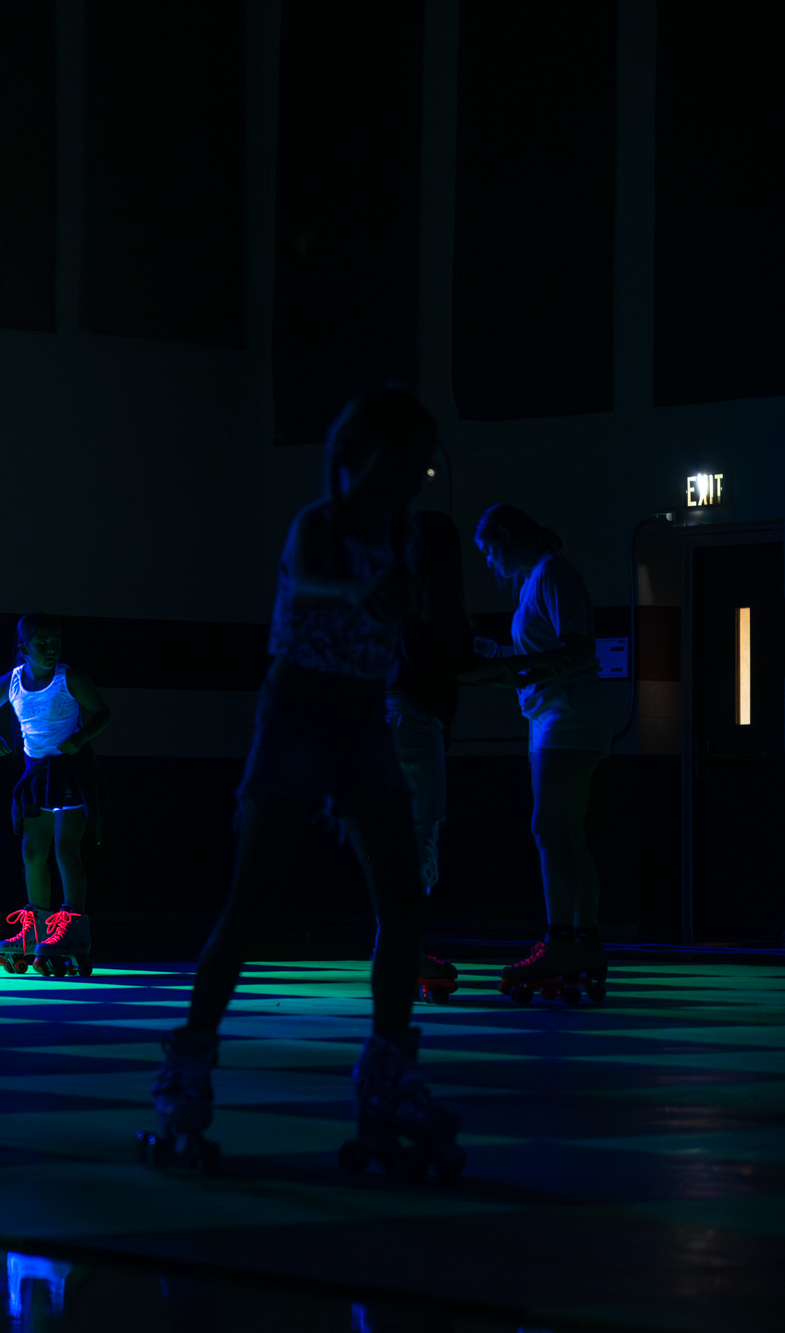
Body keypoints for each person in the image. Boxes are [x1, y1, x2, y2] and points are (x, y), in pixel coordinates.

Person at [138, 389, 465, 1182]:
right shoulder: (319, 521)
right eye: (404, 458)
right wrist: (367, 593)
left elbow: (420, 628)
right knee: (252, 904)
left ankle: (386, 1071)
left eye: (424, 460)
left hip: (363, 716)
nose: (417, 475)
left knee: (401, 905)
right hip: (298, 709)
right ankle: (186, 1074)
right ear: (363, 457)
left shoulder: (407, 533)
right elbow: (317, 580)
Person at [466, 504, 609, 1005]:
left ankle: (561, 942)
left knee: (550, 830)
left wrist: (510, 667)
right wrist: (499, 656)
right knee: (565, 832)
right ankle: (580, 941)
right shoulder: (539, 578)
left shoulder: (553, 575)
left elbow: (577, 650)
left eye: (488, 550)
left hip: (564, 716)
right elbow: (554, 652)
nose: (488, 562)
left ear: (507, 537)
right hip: (559, 715)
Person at [0, 613, 110, 977]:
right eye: (41, 643)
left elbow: (102, 712)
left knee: (65, 848)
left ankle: (72, 928)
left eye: (54, 642)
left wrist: (81, 738)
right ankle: (36, 930)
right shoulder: (11, 682)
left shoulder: (68, 678)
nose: (50, 648)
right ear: (23, 647)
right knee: (32, 850)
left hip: (69, 770)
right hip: (35, 772)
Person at [387, 511, 478, 1003]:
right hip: (419, 724)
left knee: (396, 842)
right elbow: (457, 665)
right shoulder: (437, 601)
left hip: (390, 719)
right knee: (420, 840)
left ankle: (397, 948)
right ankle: (406, 951)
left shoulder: (395, 594)